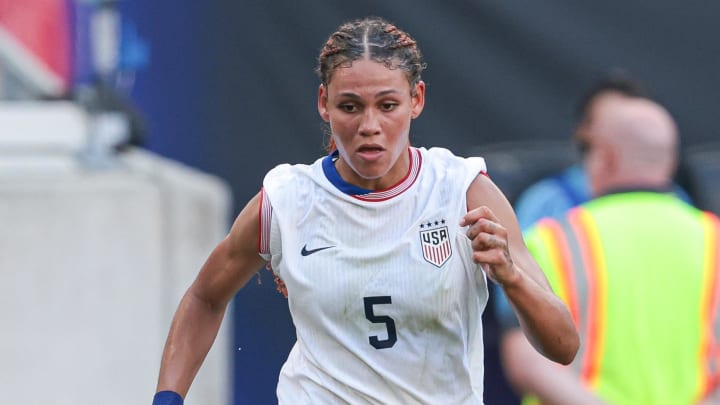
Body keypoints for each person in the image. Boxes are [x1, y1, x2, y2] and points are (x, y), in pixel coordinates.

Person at [152, 16, 578, 405]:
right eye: (350, 106)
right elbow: (205, 298)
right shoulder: (285, 201)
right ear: (324, 104)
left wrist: (510, 276)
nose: (369, 126)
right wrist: (167, 399)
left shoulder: (463, 191)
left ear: (417, 100)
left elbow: (563, 347)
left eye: (387, 105)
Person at [499, 96, 720, 404]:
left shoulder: (549, 241)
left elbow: (527, 361)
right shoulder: (713, 240)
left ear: (605, 157)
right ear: (668, 161)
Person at [512, 73, 692, 230]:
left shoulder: (678, 200)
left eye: (629, 121)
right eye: (608, 121)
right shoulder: (546, 201)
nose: (622, 127)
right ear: (584, 131)